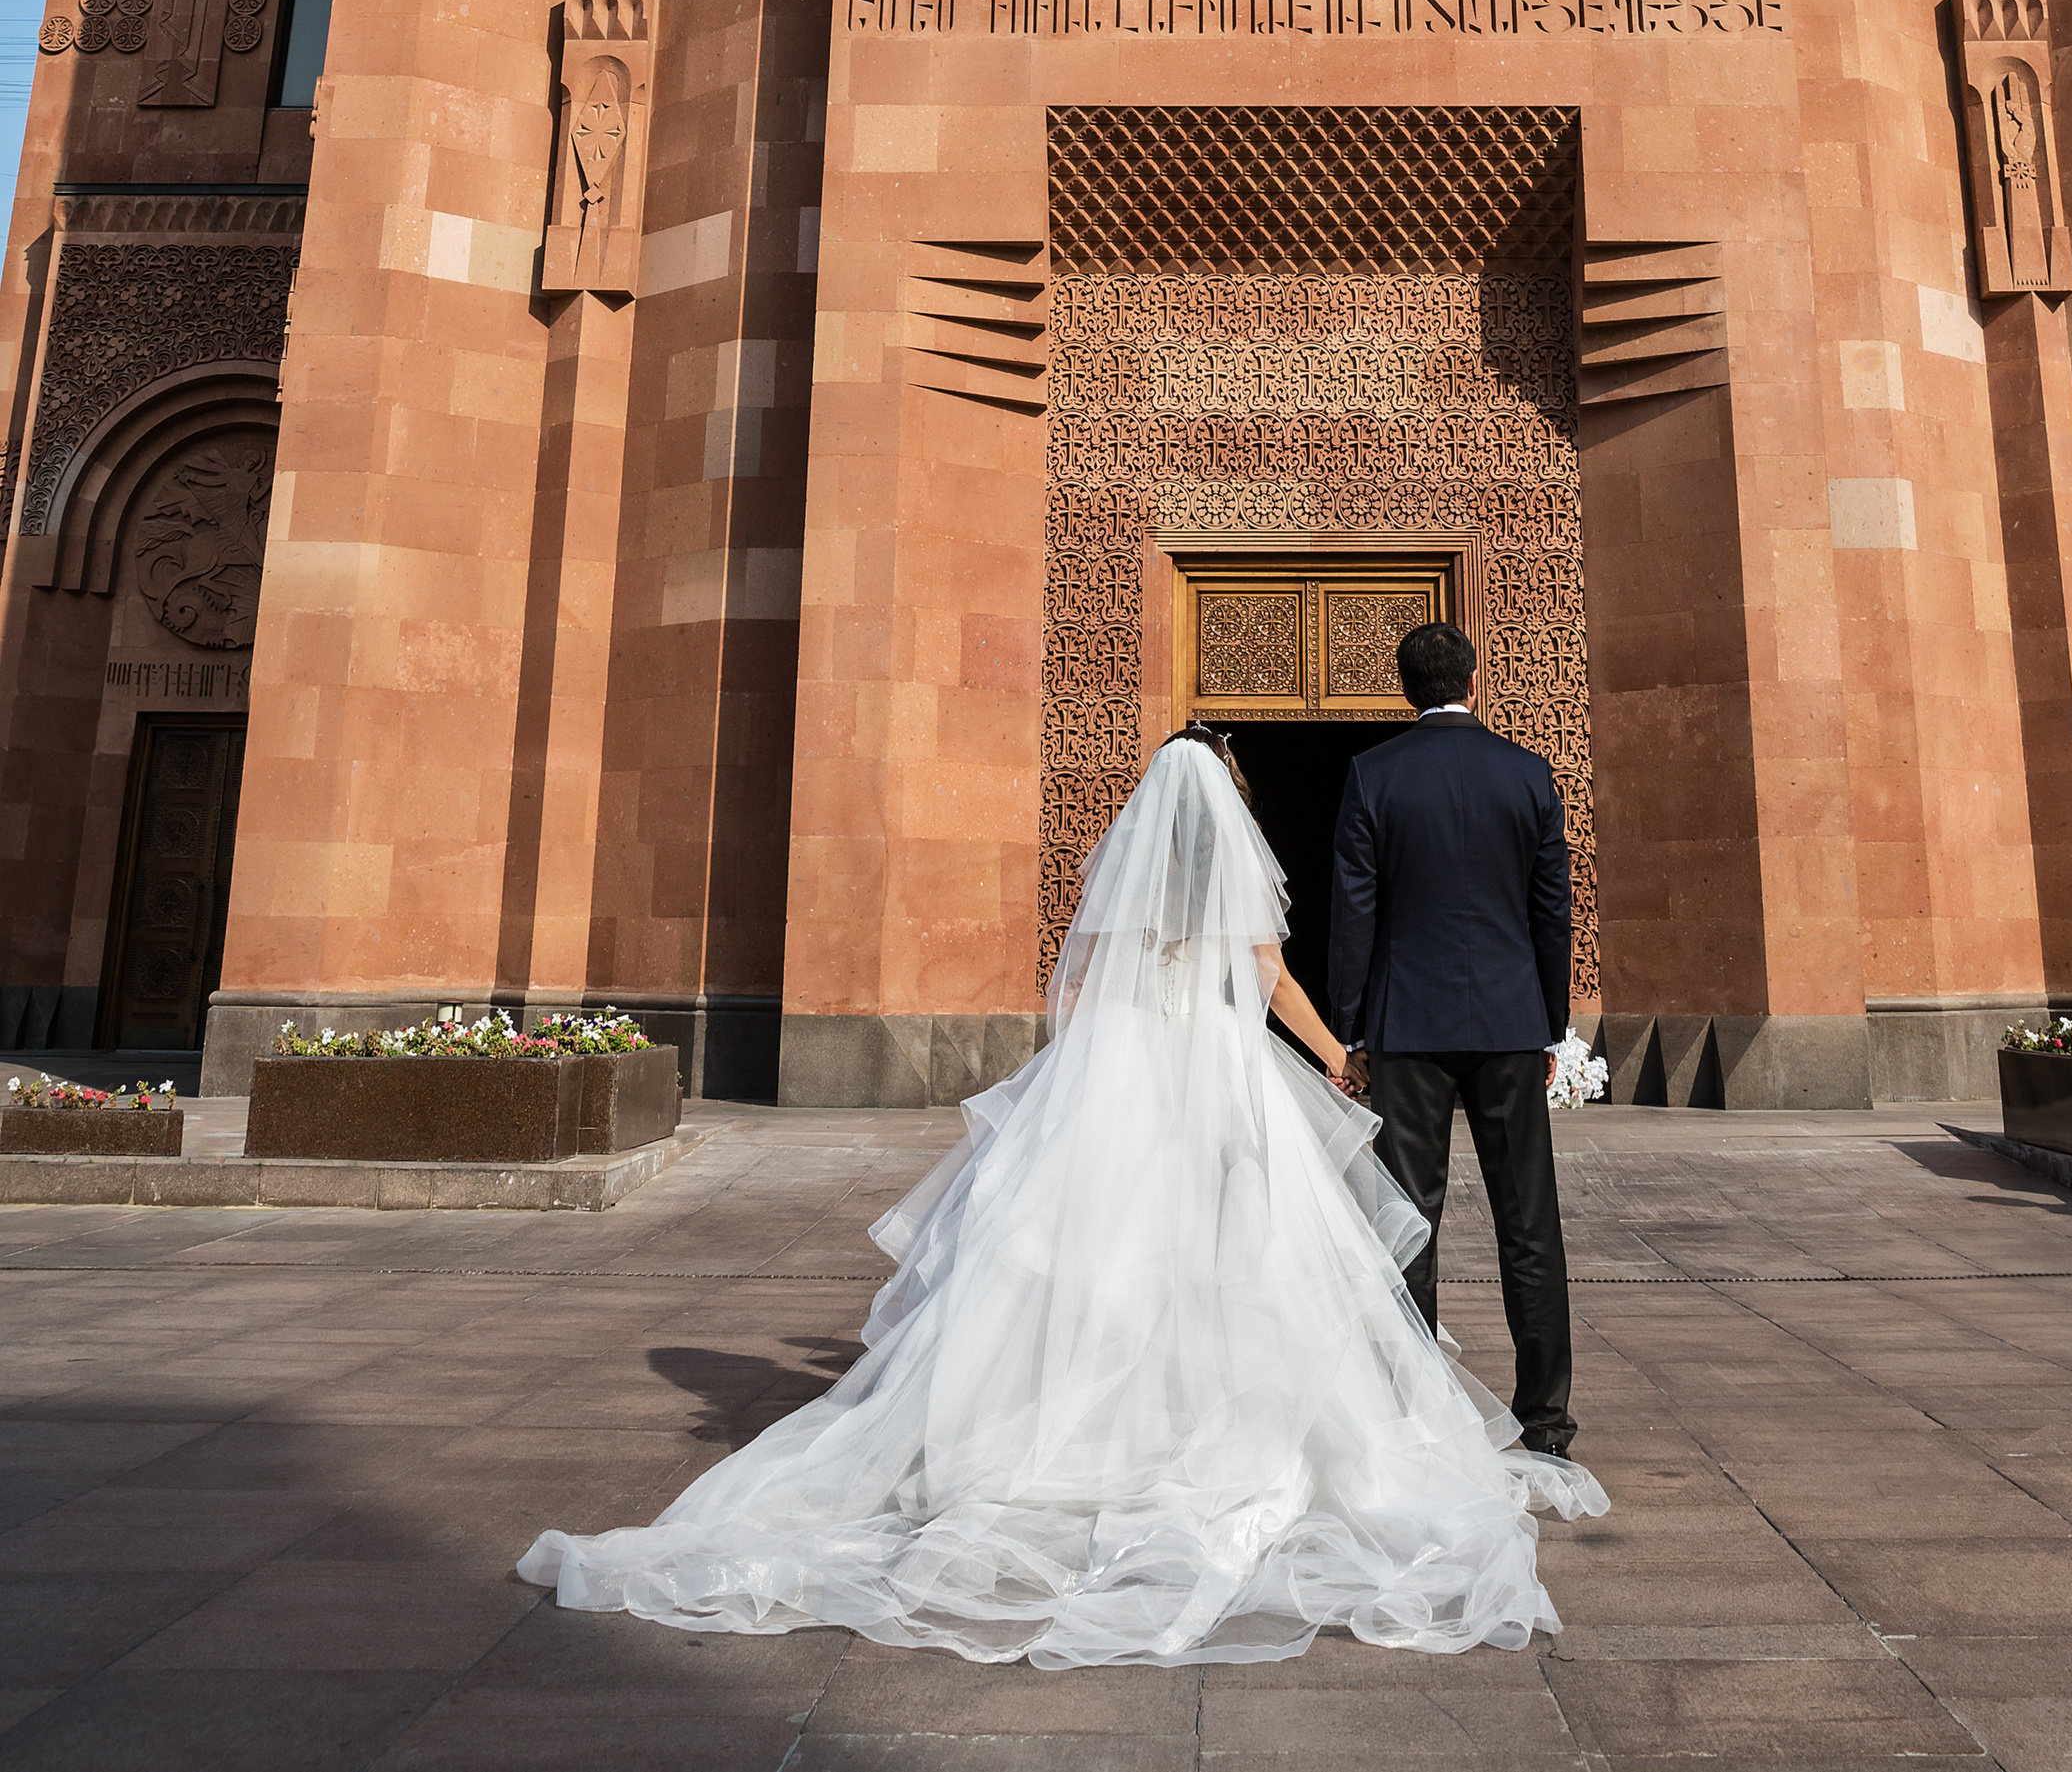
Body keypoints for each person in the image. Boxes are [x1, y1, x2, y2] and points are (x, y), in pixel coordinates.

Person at [519, 724, 1603, 1663]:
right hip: (1221, 1076)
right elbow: (1269, 976)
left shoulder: (1123, 871)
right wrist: (1334, 1055)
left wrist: (1086, 1076)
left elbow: (1076, 988)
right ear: (1225, 806)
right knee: (1232, 1255)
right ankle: (1209, 1433)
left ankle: (1066, 1442)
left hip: (1125, 1073)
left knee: (1098, 1254)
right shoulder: (1234, 871)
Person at [1330, 621, 1577, 1458]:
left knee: (1408, 1220)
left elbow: (1354, 911)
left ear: (1406, 689)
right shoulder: (1528, 773)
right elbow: (1552, 913)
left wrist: (1352, 1026)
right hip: (1509, 1021)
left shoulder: (1374, 775)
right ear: (1476, 680)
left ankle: (1413, 1417)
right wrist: (1551, 1024)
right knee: (1529, 1221)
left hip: (1409, 1025)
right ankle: (1545, 1419)